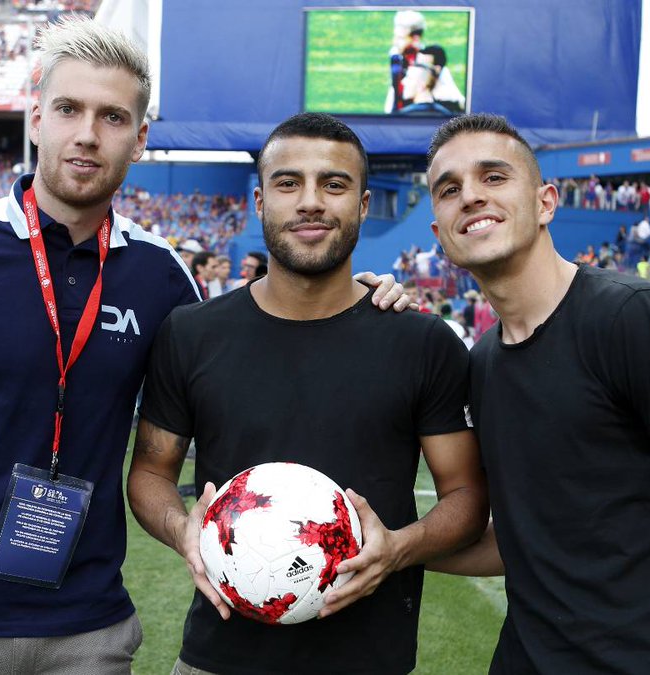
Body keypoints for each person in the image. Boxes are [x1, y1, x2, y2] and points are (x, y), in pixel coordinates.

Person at [0, 18, 409, 674]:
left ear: (139, 139)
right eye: (68, 109)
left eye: (112, 117)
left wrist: (355, 296)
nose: (87, 133)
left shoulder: (162, 276)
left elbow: (258, 348)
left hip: (88, 635)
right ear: (36, 119)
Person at [423, 113, 650, 674]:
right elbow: (527, 542)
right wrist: (396, 550)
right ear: (439, 234)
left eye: (493, 177)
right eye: (449, 189)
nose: (470, 196)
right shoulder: (484, 364)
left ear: (546, 203)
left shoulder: (635, 318)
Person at [127, 112, 487, 675]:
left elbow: (465, 495)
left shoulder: (423, 343)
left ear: (363, 205)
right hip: (219, 659)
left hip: (369, 661)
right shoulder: (191, 334)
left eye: (334, 184)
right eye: (288, 183)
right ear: (259, 201)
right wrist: (183, 530)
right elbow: (151, 472)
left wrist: (399, 548)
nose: (311, 202)